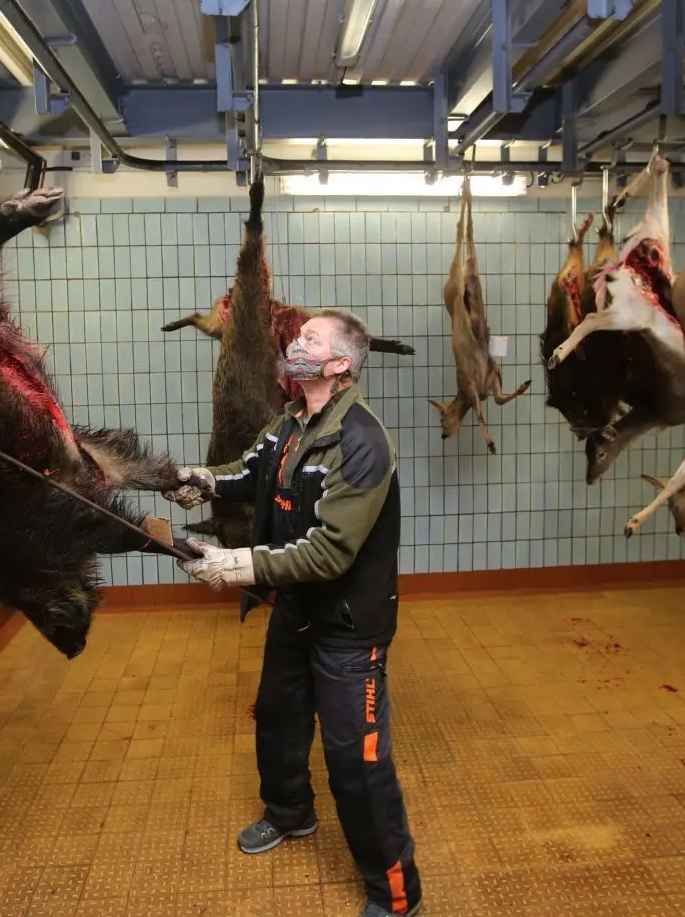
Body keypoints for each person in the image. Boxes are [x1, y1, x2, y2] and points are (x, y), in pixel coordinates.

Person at [164, 308, 422, 917]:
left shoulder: (361, 442)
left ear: (340, 365)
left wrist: (238, 566)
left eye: (310, 339)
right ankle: (289, 814)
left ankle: (397, 894)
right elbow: (250, 472)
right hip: (296, 611)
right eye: (297, 337)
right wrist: (198, 479)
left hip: (349, 630)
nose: (294, 343)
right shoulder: (291, 420)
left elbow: (331, 551)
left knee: (355, 760)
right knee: (278, 721)